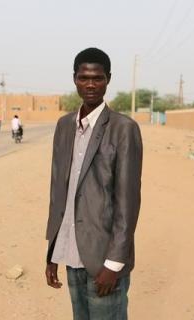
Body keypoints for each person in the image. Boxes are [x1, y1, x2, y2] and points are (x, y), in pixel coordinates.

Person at [45, 47, 143, 319]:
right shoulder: (64, 126)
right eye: (84, 77)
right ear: (75, 78)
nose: (90, 84)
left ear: (108, 79)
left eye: (97, 78)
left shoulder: (123, 129)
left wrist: (114, 263)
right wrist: (53, 251)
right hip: (72, 253)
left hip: (103, 259)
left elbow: (128, 203)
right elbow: (58, 193)